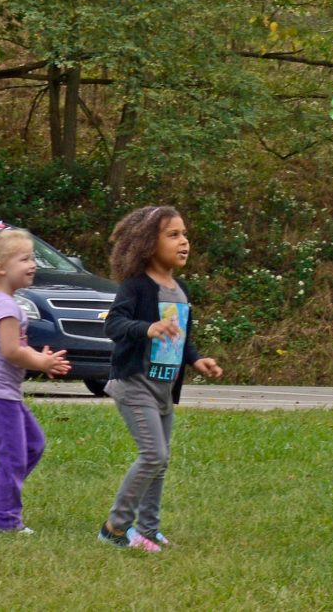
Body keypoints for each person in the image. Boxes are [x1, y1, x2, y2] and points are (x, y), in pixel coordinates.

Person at [97, 205, 223, 552]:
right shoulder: (136, 287)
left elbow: (181, 337)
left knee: (161, 462)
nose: (184, 242)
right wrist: (147, 327)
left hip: (164, 387)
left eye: (185, 235)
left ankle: (148, 530)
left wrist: (196, 359)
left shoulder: (180, 289)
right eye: (173, 235)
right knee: (153, 455)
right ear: (148, 244)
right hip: (135, 384)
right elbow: (114, 324)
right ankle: (114, 528)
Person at [0, 219, 71, 532]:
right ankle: (3, 520)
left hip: (0, 393)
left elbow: (13, 348)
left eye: (32, 257)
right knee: (13, 457)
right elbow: (11, 351)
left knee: (33, 444)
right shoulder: (6, 307)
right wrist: (42, 361)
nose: (32, 264)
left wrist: (40, 359)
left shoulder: (5, 303)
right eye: (24, 259)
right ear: (0, 268)